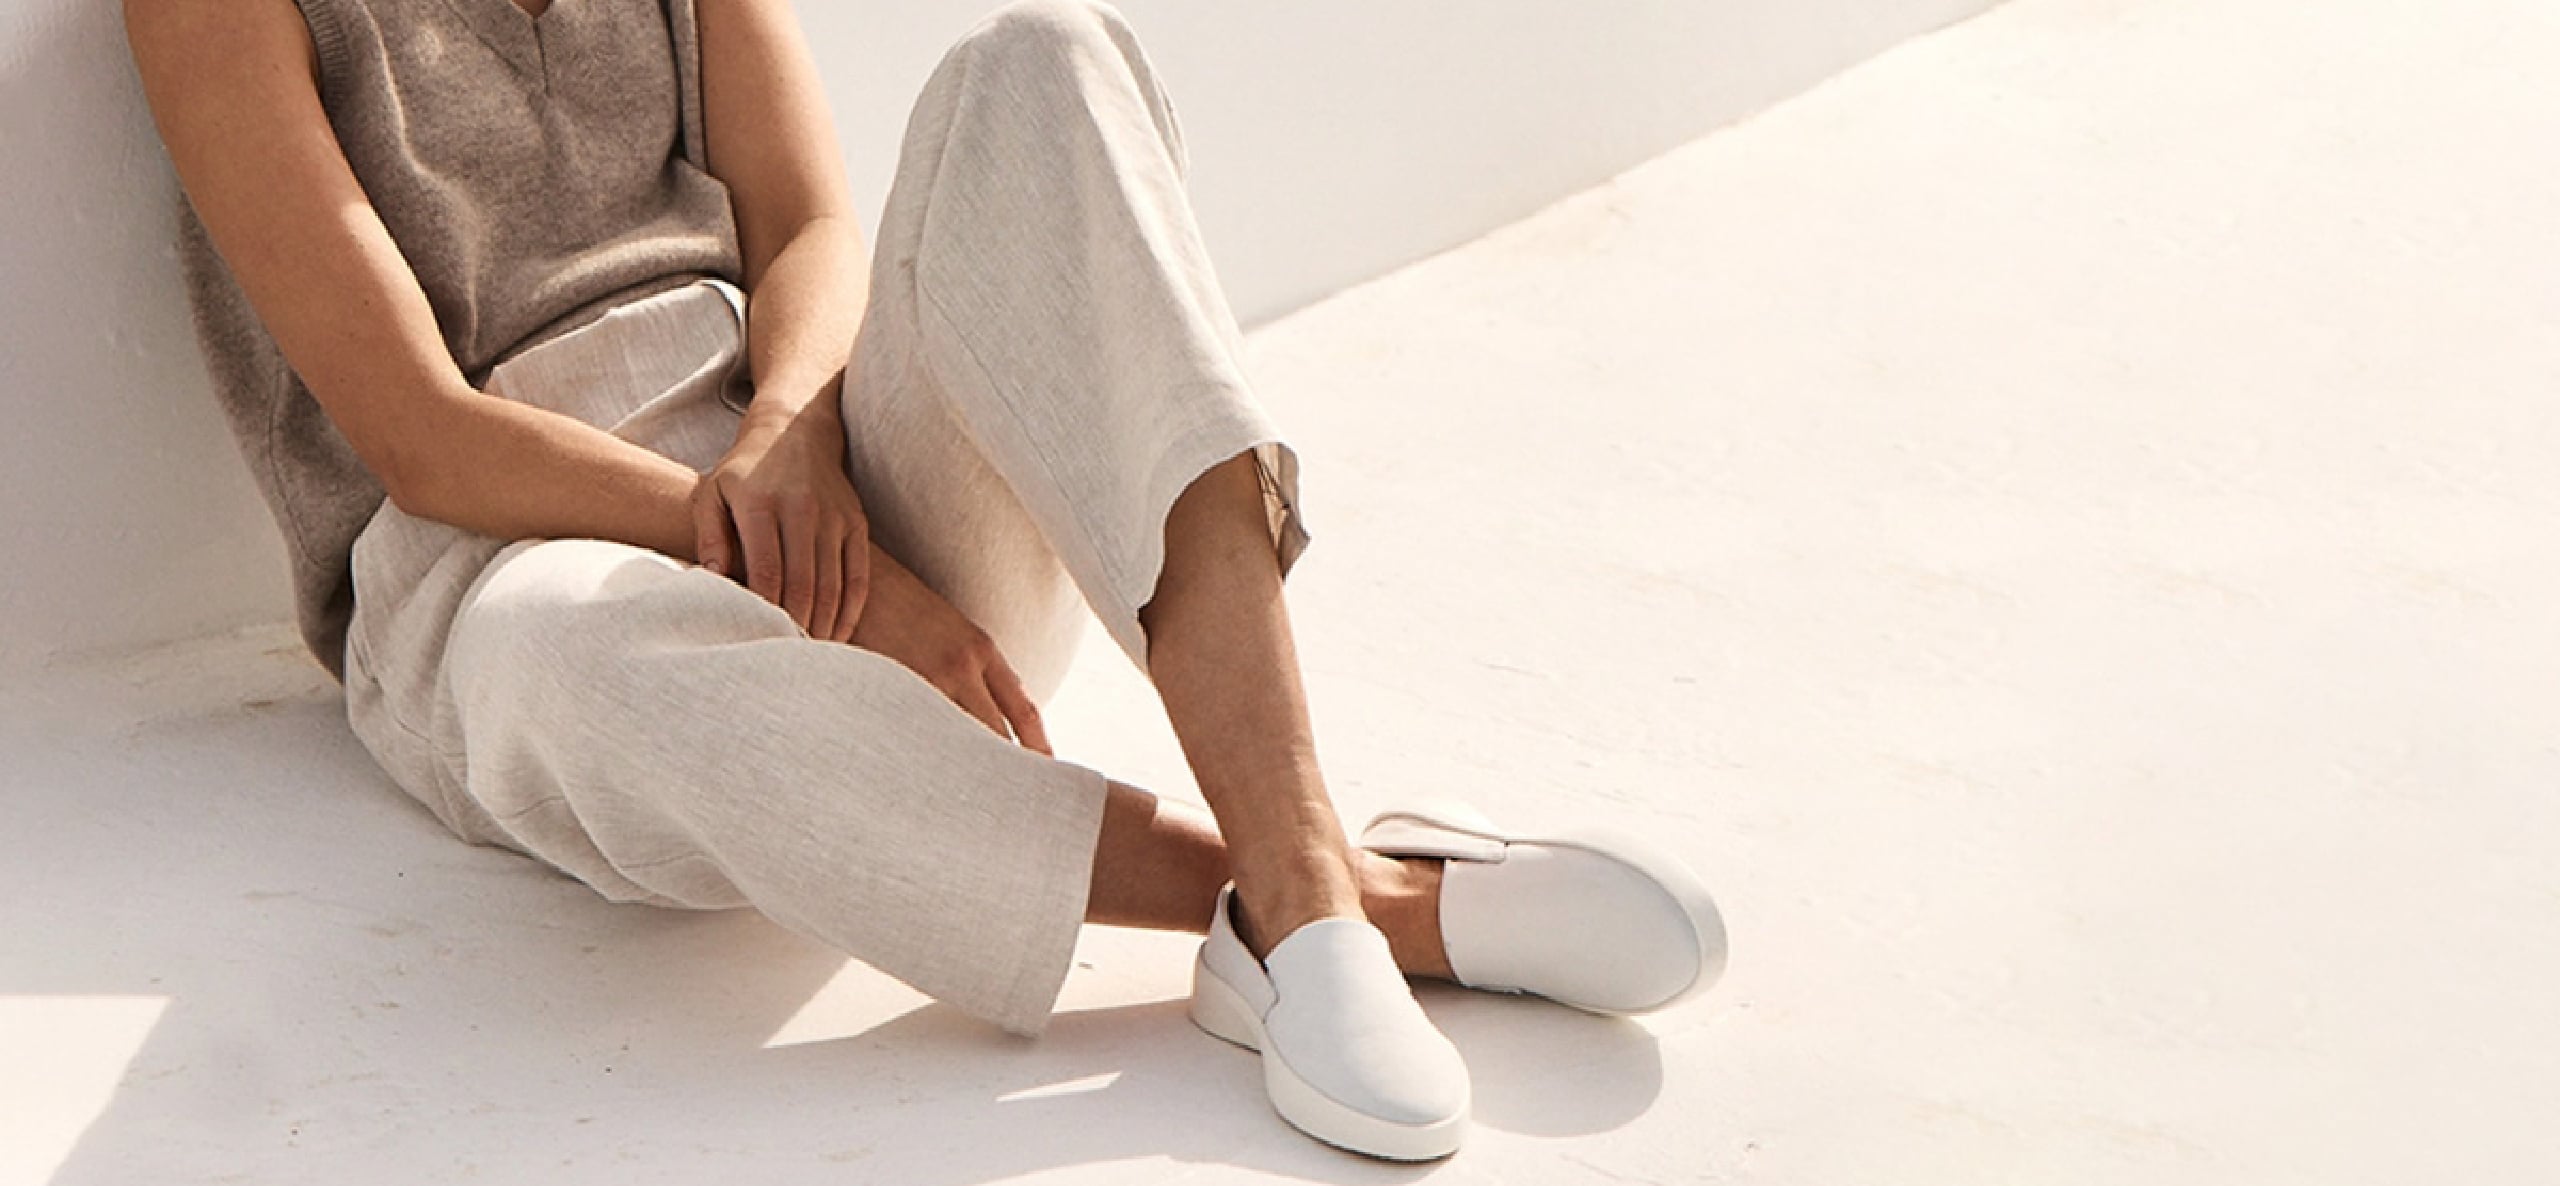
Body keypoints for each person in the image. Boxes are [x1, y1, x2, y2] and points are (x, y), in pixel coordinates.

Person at [126, 0, 1726, 1161]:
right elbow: (420, 434)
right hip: (508, 568)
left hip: (811, 468)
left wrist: (791, 440)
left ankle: (1300, 889)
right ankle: (1361, 911)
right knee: (566, 658)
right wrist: (775, 544)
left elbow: (809, 218)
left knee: (1046, 65)